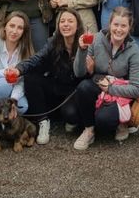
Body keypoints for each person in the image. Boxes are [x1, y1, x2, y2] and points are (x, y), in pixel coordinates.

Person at [72, 6, 139, 150]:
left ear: (129, 28)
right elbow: (79, 73)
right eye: (116, 24)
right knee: (83, 87)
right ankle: (89, 130)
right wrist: (82, 50)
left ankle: (121, 122)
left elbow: (137, 88)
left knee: (103, 121)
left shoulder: (133, 50)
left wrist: (110, 88)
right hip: (100, 85)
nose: (119, 29)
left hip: (120, 94)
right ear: (109, 24)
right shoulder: (97, 39)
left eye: (123, 26)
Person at [14, 9, 86, 145]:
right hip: (56, 85)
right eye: (62, 21)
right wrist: (19, 69)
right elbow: (37, 58)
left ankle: (68, 117)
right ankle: (43, 121)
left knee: (70, 115)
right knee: (31, 76)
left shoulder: (84, 42)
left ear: (78, 26)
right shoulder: (54, 41)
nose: (65, 24)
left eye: (70, 21)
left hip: (74, 91)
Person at [0, 11, 34, 120]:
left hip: (14, 90)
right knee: (4, 83)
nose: (14, 31)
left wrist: (13, 100)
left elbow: (22, 82)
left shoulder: (26, 50)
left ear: (24, 31)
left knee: (23, 107)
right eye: (12, 26)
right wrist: (2, 72)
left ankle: (5, 121)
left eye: (20, 28)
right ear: (5, 27)